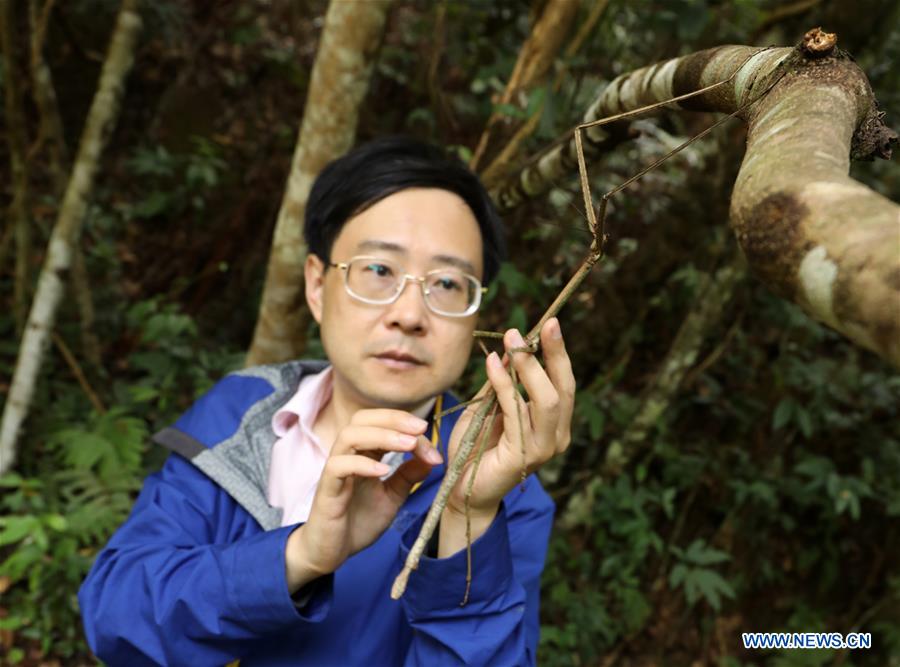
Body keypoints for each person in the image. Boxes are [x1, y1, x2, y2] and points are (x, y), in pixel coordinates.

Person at [79, 137, 575, 666]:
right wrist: (300, 556)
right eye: (379, 271)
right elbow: (115, 616)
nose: (410, 314)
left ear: (476, 314)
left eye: (448, 283)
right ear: (317, 286)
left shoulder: (505, 491)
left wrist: (466, 518)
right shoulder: (241, 413)